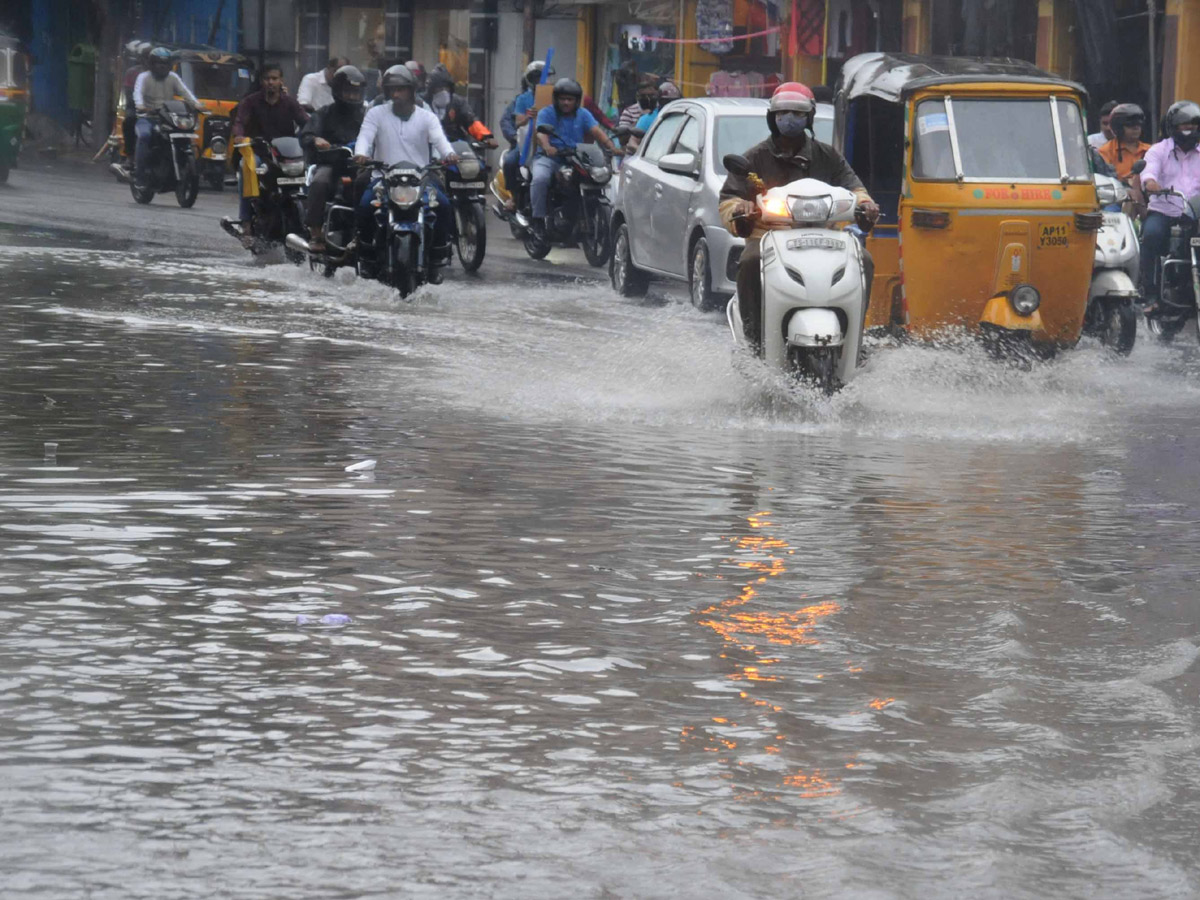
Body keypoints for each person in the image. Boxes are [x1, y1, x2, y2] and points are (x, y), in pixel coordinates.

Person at [718, 81, 879, 352]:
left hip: (825, 235)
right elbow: (729, 198)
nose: (789, 119)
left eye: (797, 113)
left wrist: (866, 205)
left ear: (809, 117)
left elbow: (856, 189)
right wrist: (739, 210)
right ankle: (754, 339)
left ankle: (855, 339)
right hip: (768, 236)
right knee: (749, 261)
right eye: (782, 114)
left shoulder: (827, 156)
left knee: (864, 260)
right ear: (773, 118)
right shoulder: (755, 158)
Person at [353, 64, 458, 282]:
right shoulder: (376, 114)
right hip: (383, 178)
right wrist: (361, 153)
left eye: (401, 89)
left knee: (445, 206)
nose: (396, 94)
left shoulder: (426, 117)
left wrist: (449, 154)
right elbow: (365, 136)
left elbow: (440, 139)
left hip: (420, 180)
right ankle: (367, 258)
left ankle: (437, 258)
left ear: (412, 90)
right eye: (392, 90)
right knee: (364, 206)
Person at [229, 63, 309, 246]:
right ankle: (246, 222)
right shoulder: (250, 102)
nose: (271, 82)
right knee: (246, 167)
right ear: (261, 81)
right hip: (259, 153)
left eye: (274, 79)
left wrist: (315, 135)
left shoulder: (290, 103)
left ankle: (310, 224)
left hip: (285, 154)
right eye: (267, 79)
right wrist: (240, 136)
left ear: (281, 81)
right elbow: (239, 121)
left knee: (308, 173)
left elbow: (305, 121)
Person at [530, 77, 618, 240]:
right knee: (540, 179)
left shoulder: (583, 114)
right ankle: (538, 220)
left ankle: (580, 219)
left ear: (576, 101)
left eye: (569, 99)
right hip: (550, 158)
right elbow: (541, 134)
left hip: (575, 158)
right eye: (562, 99)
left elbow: (597, 132)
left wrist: (612, 147)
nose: (565, 103)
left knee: (592, 178)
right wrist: (548, 147)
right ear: (556, 99)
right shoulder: (547, 113)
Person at [1138, 100, 1200, 307]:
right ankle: (1150, 294)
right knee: (1151, 235)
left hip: (1195, 213)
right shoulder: (1159, 150)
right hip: (1165, 210)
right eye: (1184, 125)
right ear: (1173, 127)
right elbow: (1148, 173)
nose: (1189, 129)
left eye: (1193, 125)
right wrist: (1151, 183)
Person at [299, 65, 366, 252]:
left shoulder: (367, 116)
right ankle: (316, 232)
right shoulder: (325, 113)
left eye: (356, 92)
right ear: (337, 91)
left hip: (359, 166)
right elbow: (306, 135)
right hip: (331, 163)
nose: (353, 96)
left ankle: (369, 232)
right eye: (348, 92)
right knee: (320, 182)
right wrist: (315, 139)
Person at [132, 47, 204, 188]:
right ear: (151, 64)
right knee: (145, 136)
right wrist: (140, 106)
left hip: (168, 118)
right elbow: (137, 94)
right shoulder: (143, 77)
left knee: (185, 135)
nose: (162, 66)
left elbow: (186, 93)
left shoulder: (173, 77)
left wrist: (197, 105)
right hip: (147, 117)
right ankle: (140, 175)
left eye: (165, 63)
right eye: (158, 63)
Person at [499, 60, 553, 211]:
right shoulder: (522, 99)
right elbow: (515, 122)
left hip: (549, 142)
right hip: (526, 143)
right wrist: (528, 118)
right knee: (510, 162)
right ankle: (514, 197)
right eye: (543, 77)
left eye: (548, 77)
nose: (547, 81)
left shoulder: (554, 97)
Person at [425, 63, 496, 145]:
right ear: (431, 90)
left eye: (446, 88)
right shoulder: (423, 103)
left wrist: (486, 137)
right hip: (429, 148)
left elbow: (471, 121)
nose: (444, 91)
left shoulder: (457, 102)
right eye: (440, 88)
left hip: (455, 146)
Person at [1097, 103, 1151, 181]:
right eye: (1130, 125)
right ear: (1118, 127)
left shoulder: (1150, 150)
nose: (1136, 128)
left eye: (1139, 125)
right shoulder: (1105, 152)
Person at [121, 42, 151, 163]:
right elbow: (129, 93)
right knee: (129, 122)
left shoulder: (163, 74)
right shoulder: (132, 72)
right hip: (137, 108)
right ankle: (130, 155)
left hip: (158, 109)